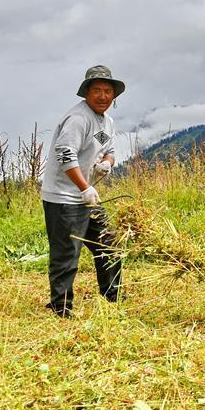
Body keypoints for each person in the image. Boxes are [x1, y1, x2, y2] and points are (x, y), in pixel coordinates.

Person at [40, 65, 125, 317]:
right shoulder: (78, 119)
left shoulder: (106, 121)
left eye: (108, 91)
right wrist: (84, 187)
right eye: (97, 90)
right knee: (67, 253)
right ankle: (61, 307)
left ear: (114, 95)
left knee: (109, 244)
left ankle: (112, 296)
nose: (102, 96)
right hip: (64, 198)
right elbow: (65, 154)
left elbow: (109, 150)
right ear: (86, 93)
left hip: (88, 197)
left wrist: (106, 164)